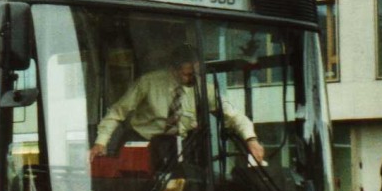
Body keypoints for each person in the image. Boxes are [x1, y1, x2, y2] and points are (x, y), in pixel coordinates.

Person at [87, 44, 265, 167]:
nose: (191, 79)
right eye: (187, 74)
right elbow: (117, 112)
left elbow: (233, 115)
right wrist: (101, 142)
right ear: (173, 69)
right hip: (142, 143)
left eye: (195, 73)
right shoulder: (148, 82)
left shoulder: (204, 89)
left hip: (179, 146)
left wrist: (251, 139)